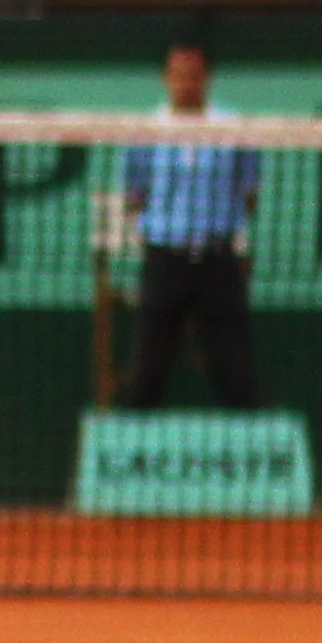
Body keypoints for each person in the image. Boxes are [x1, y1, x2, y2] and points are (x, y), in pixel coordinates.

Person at [110, 36, 263, 412]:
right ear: (166, 78)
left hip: (218, 261)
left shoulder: (234, 127)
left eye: (193, 75)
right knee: (147, 368)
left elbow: (249, 195)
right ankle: (133, 451)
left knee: (235, 369)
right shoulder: (146, 130)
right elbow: (133, 196)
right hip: (165, 259)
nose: (185, 83)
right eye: (178, 75)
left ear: (207, 78)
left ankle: (245, 449)